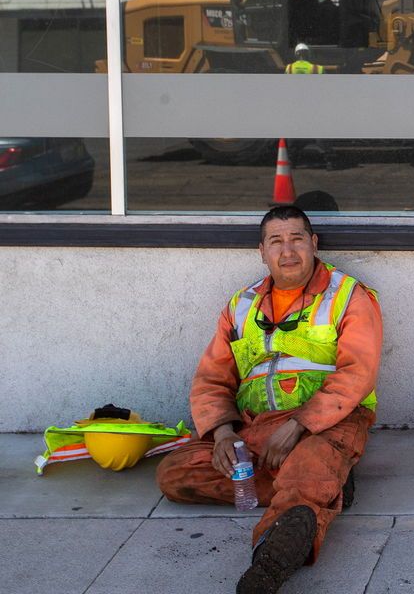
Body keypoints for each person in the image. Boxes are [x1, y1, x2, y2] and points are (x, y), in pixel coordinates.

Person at [156, 206, 382, 594]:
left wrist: (299, 425)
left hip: (327, 423)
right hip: (255, 427)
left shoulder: (348, 295)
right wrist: (224, 434)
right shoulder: (240, 305)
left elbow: (356, 374)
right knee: (175, 474)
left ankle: (269, 562)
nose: (288, 250)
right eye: (276, 241)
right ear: (262, 251)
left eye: (297, 239)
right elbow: (212, 377)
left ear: (313, 244)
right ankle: (325, 485)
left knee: (310, 461)